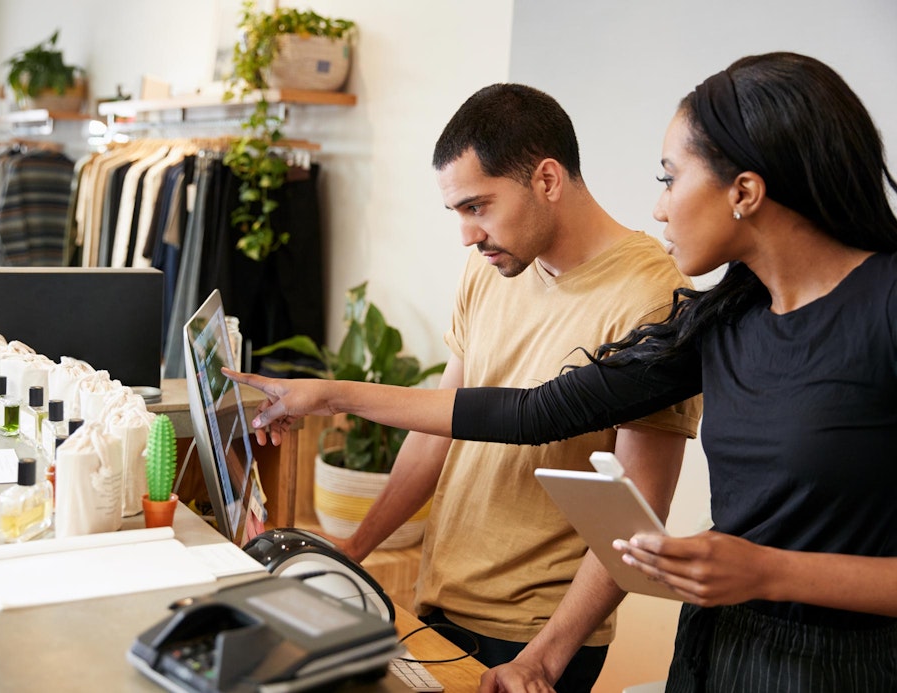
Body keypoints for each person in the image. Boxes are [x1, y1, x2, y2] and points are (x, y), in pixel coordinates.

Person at [225, 52, 897, 692]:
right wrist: (327, 396)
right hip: (720, 650)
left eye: (669, 177)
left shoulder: (883, 308)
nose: (659, 205)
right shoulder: (723, 322)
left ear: (745, 191)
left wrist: (770, 571)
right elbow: (531, 412)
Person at [267, 83, 701, 692]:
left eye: (479, 206)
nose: (468, 235)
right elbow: (436, 431)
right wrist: (354, 547)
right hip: (441, 598)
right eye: (459, 213)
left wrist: (545, 658)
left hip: (535, 631)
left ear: (547, 180)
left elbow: (635, 514)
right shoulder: (492, 267)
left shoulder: (651, 296)